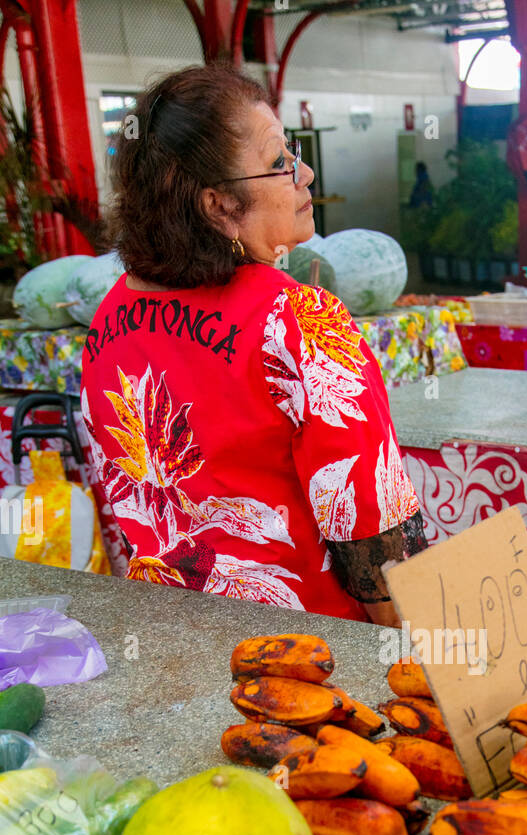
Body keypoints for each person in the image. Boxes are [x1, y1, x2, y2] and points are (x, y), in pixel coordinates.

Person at [81, 64, 426, 625]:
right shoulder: (300, 320)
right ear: (218, 205)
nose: (305, 173)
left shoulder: (107, 319)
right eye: (278, 164)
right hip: (308, 657)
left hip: (173, 638)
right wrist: (414, 661)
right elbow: (372, 531)